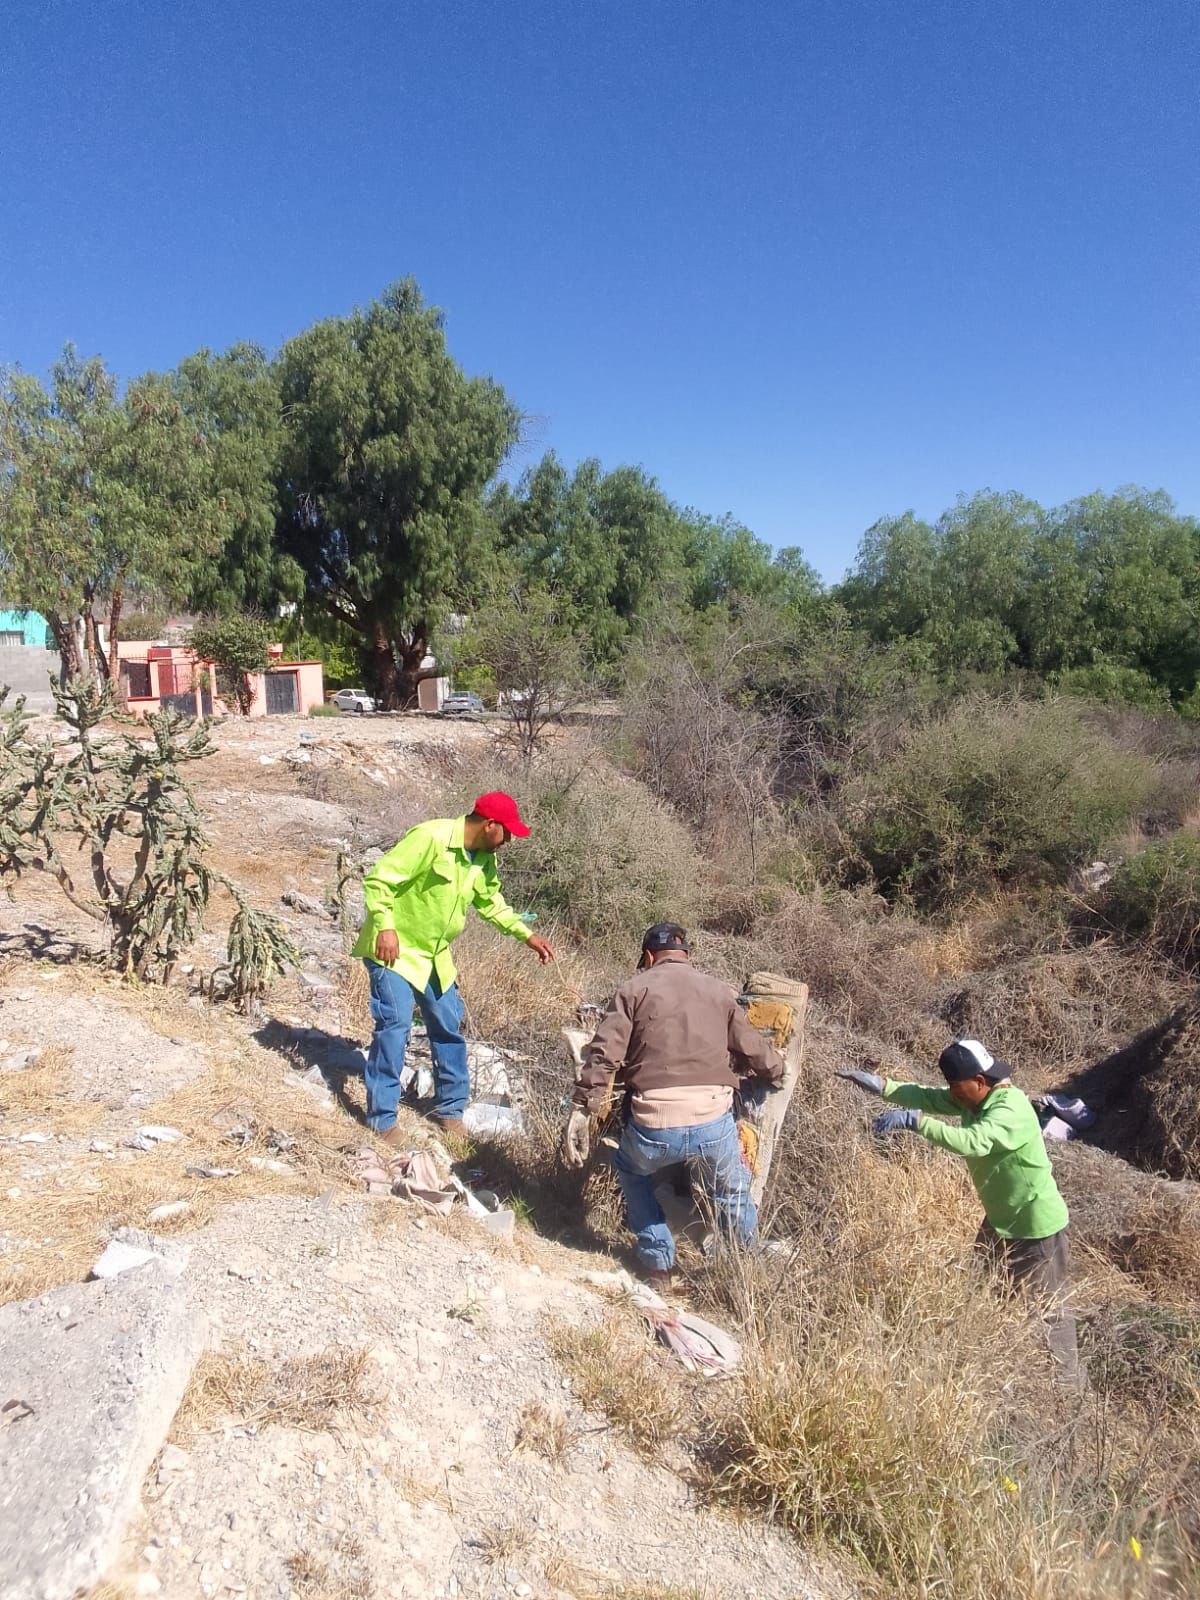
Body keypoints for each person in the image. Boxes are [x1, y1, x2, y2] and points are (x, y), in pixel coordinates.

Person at [838, 1037, 1080, 1384]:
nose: (952, 1094)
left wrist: (917, 1122)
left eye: (956, 1087)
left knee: (1048, 1312)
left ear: (979, 1081)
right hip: (1000, 1221)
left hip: (1035, 1226)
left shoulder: (1009, 1109)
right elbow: (928, 1096)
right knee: (983, 1290)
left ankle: (1066, 1389)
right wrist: (884, 1086)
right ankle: (994, 1369)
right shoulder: (974, 1099)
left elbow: (973, 1141)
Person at [563, 922, 784, 1289]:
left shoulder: (633, 990)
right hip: (713, 1123)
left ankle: (658, 1264)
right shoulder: (719, 991)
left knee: (630, 1170)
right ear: (686, 956)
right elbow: (754, 1049)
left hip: (654, 1126)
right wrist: (777, 1070)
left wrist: (584, 1108)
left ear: (649, 957)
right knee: (731, 1192)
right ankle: (746, 1270)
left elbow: (604, 1056)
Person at [353, 792, 554, 1145]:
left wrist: (527, 935)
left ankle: (450, 1111)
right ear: (489, 825)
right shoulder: (430, 837)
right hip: (394, 950)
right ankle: (382, 1119)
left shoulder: (484, 859)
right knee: (394, 1026)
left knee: (447, 1025)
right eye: (507, 832)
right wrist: (384, 926)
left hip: (435, 957)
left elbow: (491, 903)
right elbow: (380, 880)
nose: (509, 841)